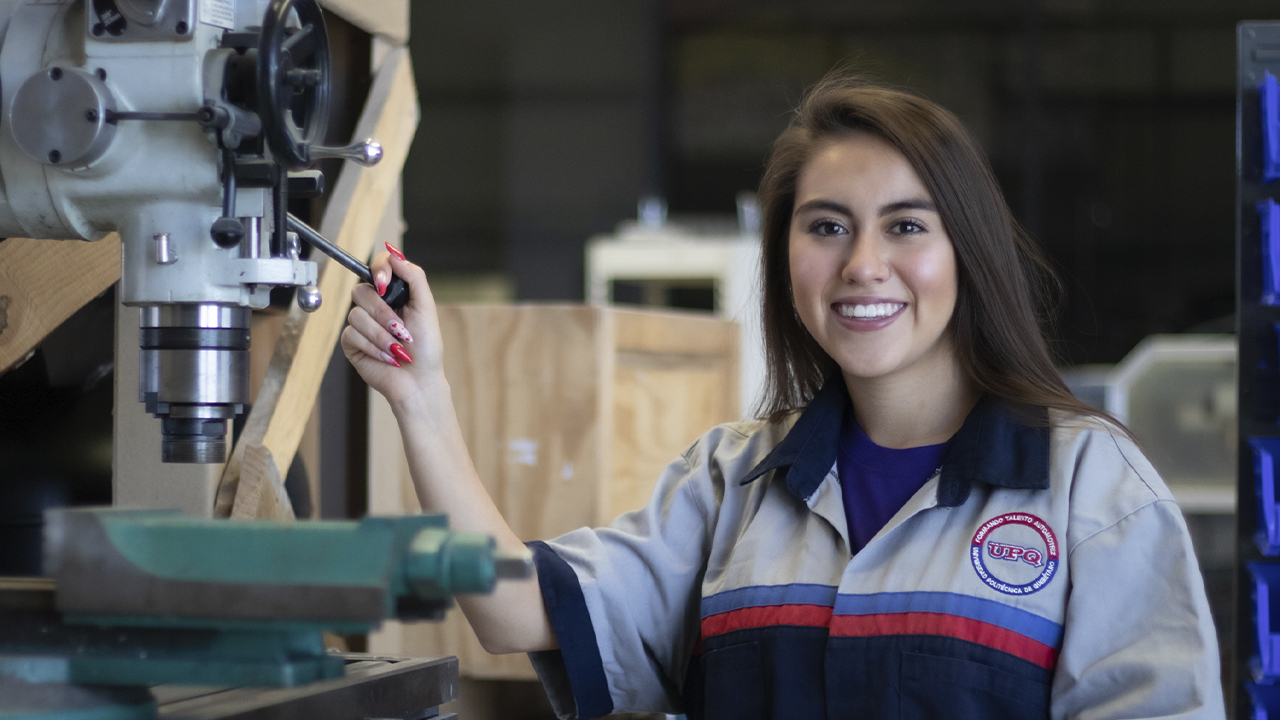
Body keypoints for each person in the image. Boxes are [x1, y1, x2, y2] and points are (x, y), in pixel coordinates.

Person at [341, 73, 1224, 720]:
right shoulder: (733, 482)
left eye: (907, 225)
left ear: (969, 254)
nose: (862, 265)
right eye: (827, 226)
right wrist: (423, 399)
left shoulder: (1089, 491)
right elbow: (512, 609)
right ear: (787, 259)